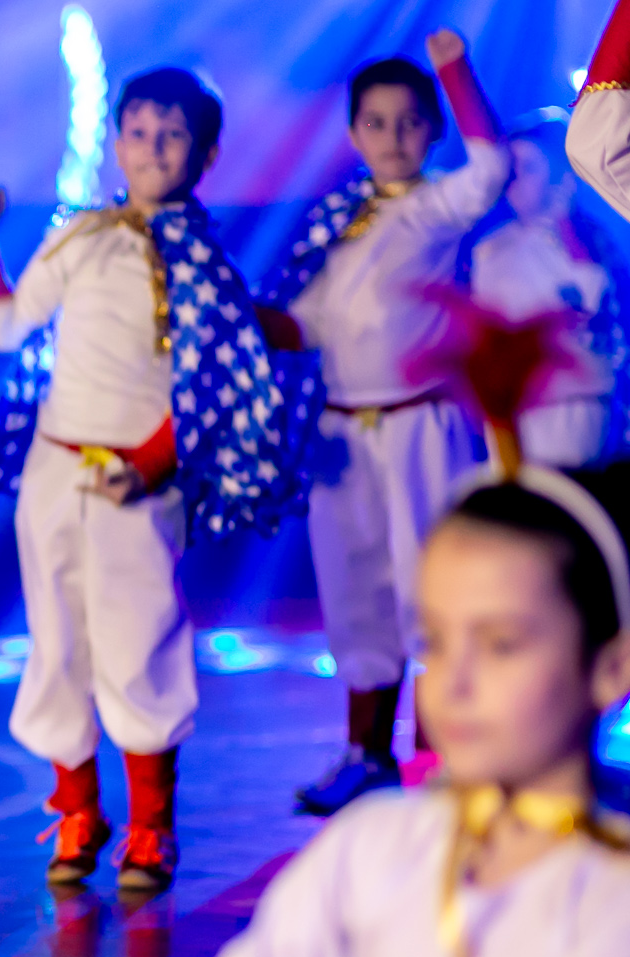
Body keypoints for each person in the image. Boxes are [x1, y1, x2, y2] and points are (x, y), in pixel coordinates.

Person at [160, 311, 630, 957]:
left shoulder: (612, 898)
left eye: (500, 643)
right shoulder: (380, 844)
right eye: (437, 639)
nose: (450, 681)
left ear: (609, 666)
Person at [0, 68, 305, 890]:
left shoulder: (206, 265)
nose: (152, 148)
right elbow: (11, 327)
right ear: (117, 141)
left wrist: (152, 461)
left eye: (173, 134)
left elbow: (222, 378)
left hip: (139, 482)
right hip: (56, 467)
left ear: (206, 152)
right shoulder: (78, 235)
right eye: (140, 132)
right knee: (57, 641)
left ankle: (152, 825)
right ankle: (76, 810)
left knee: (137, 639)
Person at [257, 33, 509, 815]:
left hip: (422, 430)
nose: (393, 137)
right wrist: (231, 317)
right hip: (340, 436)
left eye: (410, 121)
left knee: (430, 588)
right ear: (351, 133)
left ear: (433, 130)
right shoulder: (336, 221)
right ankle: (365, 755)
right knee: (354, 591)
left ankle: (439, 759)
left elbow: (492, 168)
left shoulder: (438, 204)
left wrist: (455, 73)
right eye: (375, 122)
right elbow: (303, 325)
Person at [470, 109, 622, 468]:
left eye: (530, 167)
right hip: (513, 415)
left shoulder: (592, 242)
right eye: (511, 167)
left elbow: (590, 309)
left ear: (564, 177)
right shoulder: (488, 246)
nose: (514, 178)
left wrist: (565, 220)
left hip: (578, 411)